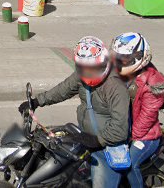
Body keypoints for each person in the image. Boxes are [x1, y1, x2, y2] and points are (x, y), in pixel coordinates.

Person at [19, 36, 130, 188]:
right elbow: (63, 90)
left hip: (107, 145)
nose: (88, 72)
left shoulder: (115, 87)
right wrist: (37, 102)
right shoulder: (82, 75)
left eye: (92, 67)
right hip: (85, 137)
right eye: (83, 67)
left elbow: (120, 129)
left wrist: (98, 140)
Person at [111, 33, 164, 188]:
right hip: (125, 131)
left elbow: (147, 116)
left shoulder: (152, 81)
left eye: (125, 57)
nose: (121, 61)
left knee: (129, 164)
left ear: (139, 57)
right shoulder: (122, 74)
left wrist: (132, 137)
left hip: (145, 136)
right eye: (119, 56)